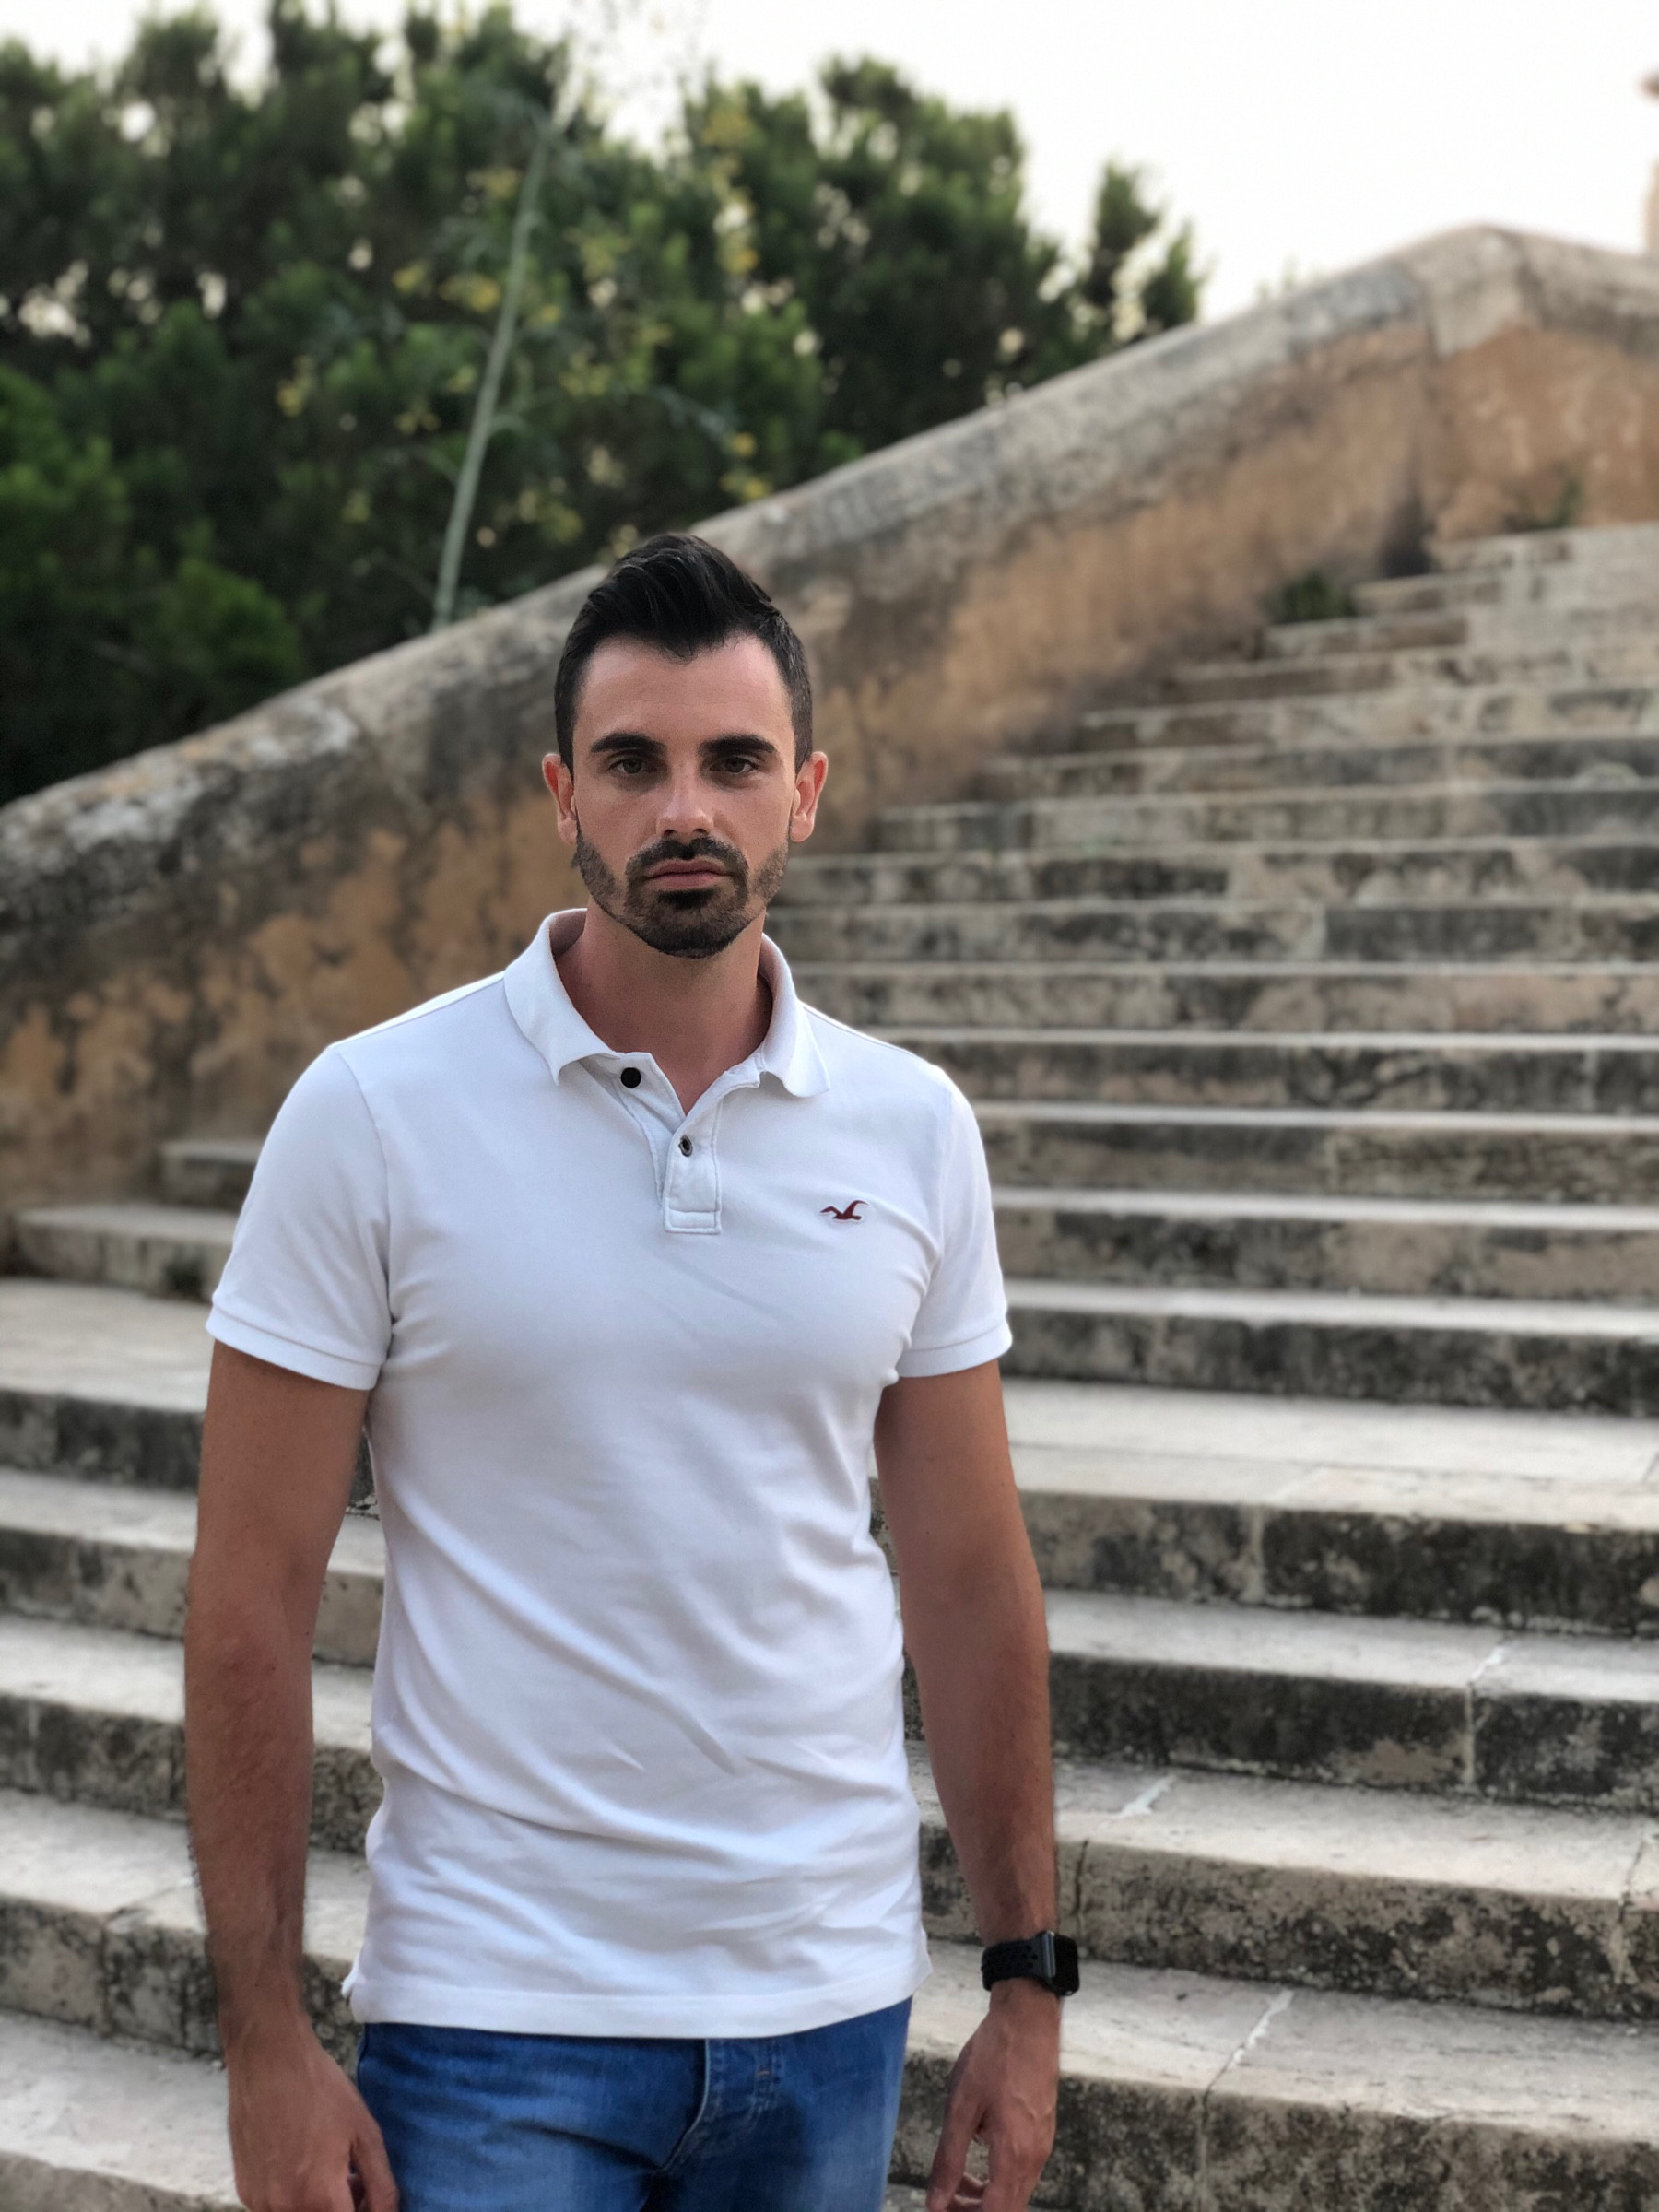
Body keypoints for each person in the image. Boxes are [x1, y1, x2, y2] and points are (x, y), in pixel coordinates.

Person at [184, 533, 1073, 2212]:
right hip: (494, 2015)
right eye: (632, 763)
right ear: (563, 796)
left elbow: (968, 1577)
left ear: (804, 794)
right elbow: (248, 1596)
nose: (686, 809)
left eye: (734, 762)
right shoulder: (370, 1115)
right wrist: (263, 2041)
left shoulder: (913, 1129)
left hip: (827, 2003)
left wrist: (1026, 1982)